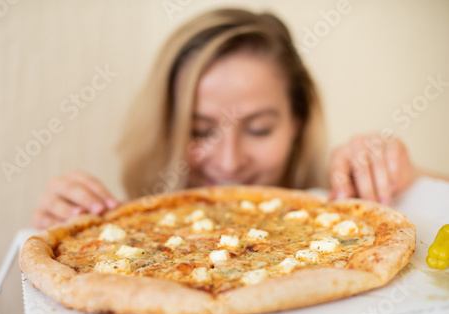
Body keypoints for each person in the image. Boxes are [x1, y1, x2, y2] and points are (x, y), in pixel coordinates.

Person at [33, 8, 419, 229]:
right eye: (200, 131)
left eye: (258, 129)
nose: (230, 161)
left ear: (297, 121)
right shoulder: (122, 234)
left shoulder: (349, 216)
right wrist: (68, 225)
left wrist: (409, 182)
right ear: (166, 125)